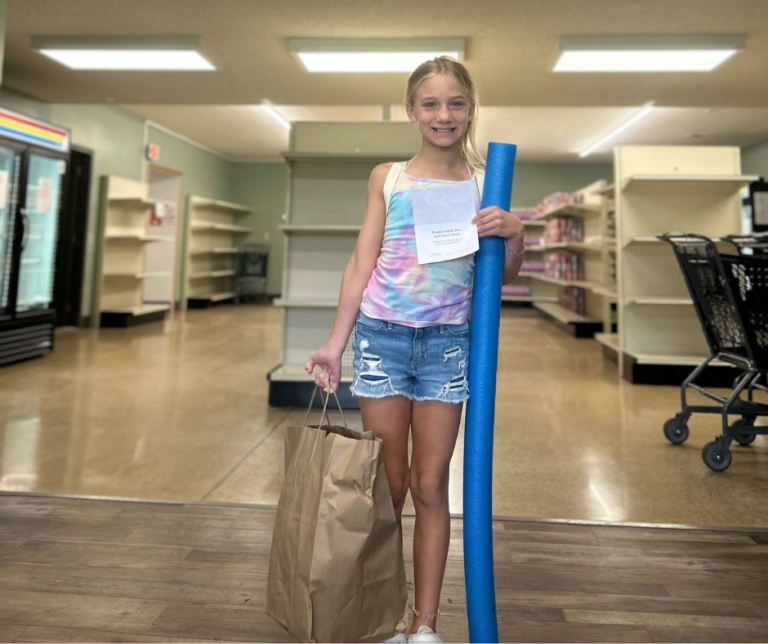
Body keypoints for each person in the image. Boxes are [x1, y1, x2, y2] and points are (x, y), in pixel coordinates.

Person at [305, 56, 525, 643]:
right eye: (430, 104)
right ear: (411, 111)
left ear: (471, 109)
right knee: (388, 488)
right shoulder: (389, 177)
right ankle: (377, 611)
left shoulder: (486, 185)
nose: (444, 115)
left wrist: (516, 233)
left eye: (456, 103)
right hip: (382, 339)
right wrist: (335, 344)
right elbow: (362, 260)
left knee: (431, 486)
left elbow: (500, 277)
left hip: (449, 345)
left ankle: (424, 623)